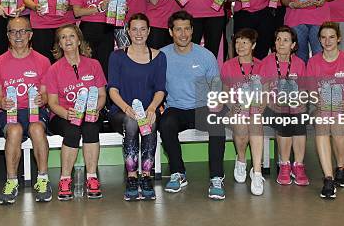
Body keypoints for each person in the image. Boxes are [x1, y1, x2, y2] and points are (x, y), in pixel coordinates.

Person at [158, 11, 226, 200]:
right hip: (175, 108)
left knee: (217, 123)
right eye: (178, 29)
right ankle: (178, 173)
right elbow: (155, 85)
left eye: (187, 29)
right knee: (166, 123)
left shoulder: (205, 55)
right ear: (170, 32)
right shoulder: (162, 55)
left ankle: (216, 177)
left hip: (202, 107)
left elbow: (216, 85)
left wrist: (217, 103)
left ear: (192, 30)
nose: (183, 34)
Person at [43, 24, 107, 200]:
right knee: (72, 130)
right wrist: (66, 114)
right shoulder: (53, 69)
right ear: (60, 45)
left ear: (79, 40)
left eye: (71, 36)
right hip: (63, 115)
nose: (68, 40)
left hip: (89, 114)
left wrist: (95, 108)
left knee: (91, 128)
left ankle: (92, 178)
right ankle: (65, 179)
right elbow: (52, 102)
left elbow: (102, 95)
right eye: (63, 38)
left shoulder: (94, 65)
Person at [0, 17, 51, 204]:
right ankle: (11, 181)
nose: (18, 36)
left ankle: (42, 179)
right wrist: (1, 102)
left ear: (30, 34)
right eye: (13, 32)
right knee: (15, 130)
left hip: (34, 111)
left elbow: (46, 94)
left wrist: (43, 99)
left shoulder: (42, 61)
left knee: (36, 129)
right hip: (9, 112)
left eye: (22, 31)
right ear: (7, 36)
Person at [108, 13, 166, 201]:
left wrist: (151, 109)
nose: (138, 33)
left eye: (143, 29)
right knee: (132, 123)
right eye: (134, 29)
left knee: (150, 122)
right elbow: (112, 90)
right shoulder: (116, 56)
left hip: (149, 109)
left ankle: (146, 177)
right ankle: (132, 177)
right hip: (121, 112)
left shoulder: (159, 56)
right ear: (128, 31)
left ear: (149, 31)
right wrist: (126, 108)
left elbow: (160, 90)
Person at [307, 22, 344, 199]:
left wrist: (343, 107)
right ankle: (329, 179)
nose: (327, 41)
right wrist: (321, 105)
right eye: (323, 37)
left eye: (331, 37)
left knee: (337, 125)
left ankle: (341, 168)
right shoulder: (313, 62)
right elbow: (311, 92)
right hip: (321, 108)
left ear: (338, 38)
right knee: (323, 126)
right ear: (319, 40)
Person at [261, 26, 309, 187]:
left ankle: (299, 166)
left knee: (299, 118)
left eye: (286, 40)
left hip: (294, 106)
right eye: (278, 39)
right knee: (285, 118)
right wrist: (274, 104)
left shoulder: (300, 63)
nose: (281, 43)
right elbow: (263, 91)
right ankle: (285, 164)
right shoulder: (267, 62)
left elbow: (303, 90)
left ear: (293, 45)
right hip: (271, 107)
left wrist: (300, 102)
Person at [220, 28, 266, 195]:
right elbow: (225, 91)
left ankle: (257, 172)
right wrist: (232, 106)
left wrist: (262, 105)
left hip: (256, 109)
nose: (239, 45)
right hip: (236, 108)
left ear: (253, 45)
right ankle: (241, 159)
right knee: (240, 125)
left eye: (244, 42)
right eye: (237, 42)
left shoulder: (262, 65)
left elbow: (267, 90)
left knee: (254, 123)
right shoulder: (228, 66)